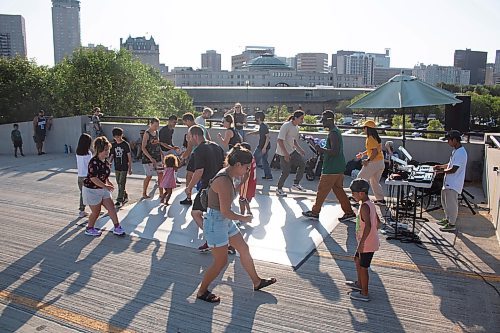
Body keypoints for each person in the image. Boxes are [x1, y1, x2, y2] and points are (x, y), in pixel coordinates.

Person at [196, 144, 276, 303]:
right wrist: (244, 218)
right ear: (238, 164)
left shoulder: (229, 175)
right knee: (221, 262)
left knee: (244, 249)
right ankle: (201, 291)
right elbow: (225, 211)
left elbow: (230, 195)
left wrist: (243, 181)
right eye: (247, 167)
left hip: (223, 221)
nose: (247, 170)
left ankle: (257, 282)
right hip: (215, 222)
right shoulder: (224, 180)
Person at [302, 110, 355, 221]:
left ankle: (315, 212)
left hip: (331, 167)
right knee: (338, 190)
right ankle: (349, 212)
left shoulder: (333, 133)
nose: (322, 123)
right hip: (338, 166)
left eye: (324, 120)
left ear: (330, 120)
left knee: (322, 190)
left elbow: (334, 151)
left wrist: (321, 149)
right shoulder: (336, 131)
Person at [185, 125, 225, 252]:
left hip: (208, 188)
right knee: (216, 217)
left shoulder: (198, 150)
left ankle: (212, 239)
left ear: (195, 136)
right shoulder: (217, 147)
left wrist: (189, 187)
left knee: (196, 213)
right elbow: (224, 166)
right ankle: (224, 242)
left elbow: (199, 171)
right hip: (221, 186)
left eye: (189, 136)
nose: (188, 139)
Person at [82, 136, 126, 237]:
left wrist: (108, 182)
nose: (107, 152)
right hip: (91, 190)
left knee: (111, 208)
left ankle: (117, 227)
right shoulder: (93, 162)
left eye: (108, 149)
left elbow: (103, 176)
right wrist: (105, 186)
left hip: (102, 188)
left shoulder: (106, 163)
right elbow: (93, 178)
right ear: (99, 150)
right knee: (96, 212)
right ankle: (89, 228)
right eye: (105, 150)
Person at [346, 178, 381, 302]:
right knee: (357, 259)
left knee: (363, 267)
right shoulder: (369, 203)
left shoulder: (365, 207)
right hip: (367, 241)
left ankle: (364, 293)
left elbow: (369, 226)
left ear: (361, 193)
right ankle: (359, 284)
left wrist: (363, 243)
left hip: (366, 243)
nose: (353, 196)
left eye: (354, 194)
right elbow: (378, 222)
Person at [434, 130, 468, 232]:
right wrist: (440, 166)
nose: (448, 142)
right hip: (448, 182)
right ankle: (447, 219)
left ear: (454, 140)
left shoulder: (461, 153)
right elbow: (450, 164)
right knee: (445, 202)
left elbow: (453, 169)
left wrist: (441, 172)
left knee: (452, 204)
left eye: (449, 140)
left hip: (454, 183)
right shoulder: (455, 151)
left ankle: (452, 224)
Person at [179, 113, 211, 205]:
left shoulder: (191, 131)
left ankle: (189, 197)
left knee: (189, 175)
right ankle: (205, 197)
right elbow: (209, 139)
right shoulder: (202, 127)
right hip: (206, 152)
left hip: (195, 154)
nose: (185, 125)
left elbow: (189, 148)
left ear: (188, 120)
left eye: (185, 122)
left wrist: (182, 158)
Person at [275, 110, 306, 196]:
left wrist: (300, 149)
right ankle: (279, 189)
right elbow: (279, 140)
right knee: (286, 171)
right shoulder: (286, 126)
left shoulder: (296, 127)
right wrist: (285, 154)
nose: (302, 121)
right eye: (301, 118)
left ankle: (296, 184)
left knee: (303, 164)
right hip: (283, 152)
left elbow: (294, 141)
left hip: (292, 151)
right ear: (295, 118)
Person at [356, 120, 386, 205]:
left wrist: (367, 160)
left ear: (367, 128)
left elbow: (374, 152)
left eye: (364, 127)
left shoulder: (370, 138)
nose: (363, 129)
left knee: (360, 178)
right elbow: (372, 150)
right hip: (380, 162)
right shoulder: (375, 137)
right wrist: (363, 154)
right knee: (374, 182)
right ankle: (381, 200)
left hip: (374, 163)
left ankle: (357, 198)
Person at [109, 127, 132, 207]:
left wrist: (130, 168)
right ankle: (125, 195)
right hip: (117, 166)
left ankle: (119, 200)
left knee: (122, 183)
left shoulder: (125, 144)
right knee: (119, 183)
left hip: (124, 166)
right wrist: (110, 162)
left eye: (118, 136)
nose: (117, 138)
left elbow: (129, 156)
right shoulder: (113, 145)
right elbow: (112, 155)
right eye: (115, 137)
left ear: (121, 135)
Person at [141, 118, 163, 199]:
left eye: (158, 125)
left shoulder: (156, 132)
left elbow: (158, 144)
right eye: (155, 125)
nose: (156, 127)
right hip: (148, 158)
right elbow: (143, 147)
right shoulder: (147, 133)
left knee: (160, 174)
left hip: (157, 157)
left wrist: (161, 154)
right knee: (149, 176)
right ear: (151, 124)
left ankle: (161, 193)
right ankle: (144, 192)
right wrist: (150, 158)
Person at [247, 111, 272, 180]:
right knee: (264, 161)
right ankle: (268, 176)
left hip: (262, 147)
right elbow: (260, 132)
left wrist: (264, 148)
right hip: (263, 146)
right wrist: (251, 133)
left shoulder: (263, 126)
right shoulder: (262, 126)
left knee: (252, 159)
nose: (255, 119)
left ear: (259, 118)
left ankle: (249, 174)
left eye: (256, 117)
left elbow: (268, 137)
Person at [76, 133, 93, 218]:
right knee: (92, 193)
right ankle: (94, 209)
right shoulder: (88, 153)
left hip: (80, 176)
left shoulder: (78, 152)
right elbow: (90, 165)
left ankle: (82, 210)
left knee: (82, 194)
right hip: (87, 176)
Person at [238, 142, 257, 216]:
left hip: (247, 183)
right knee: (245, 199)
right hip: (252, 182)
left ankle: (241, 216)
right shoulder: (252, 158)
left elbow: (246, 173)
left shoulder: (247, 161)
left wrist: (240, 184)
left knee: (241, 200)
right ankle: (249, 212)